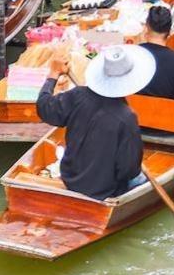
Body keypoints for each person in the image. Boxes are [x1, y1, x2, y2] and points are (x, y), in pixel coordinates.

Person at [37, 45, 149, 200]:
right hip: (106, 190)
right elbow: (128, 170)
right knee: (139, 178)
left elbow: (44, 107)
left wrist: (53, 74)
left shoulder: (78, 95)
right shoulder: (127, 117)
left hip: (71, 179)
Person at [136, 6, 174, 101]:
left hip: (134, 111)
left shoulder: (133, 54)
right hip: (166, 113)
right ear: (170, 31)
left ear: (146, 27)